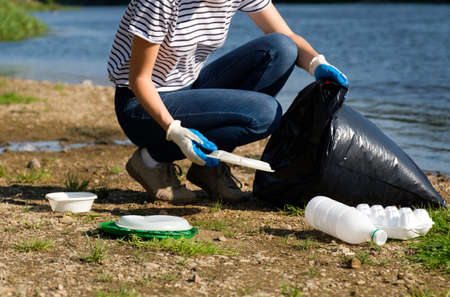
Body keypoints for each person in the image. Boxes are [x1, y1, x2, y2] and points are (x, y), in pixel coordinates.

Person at [107, 0, 348, 203]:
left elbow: (287, 36)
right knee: (263, 114)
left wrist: (317, 63)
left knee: (281, 47)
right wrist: (174, 129)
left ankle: (207, 169)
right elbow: (139, 80)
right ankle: (152, 160)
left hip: (190, 87)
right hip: (142, 105)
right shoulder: (159, 2)